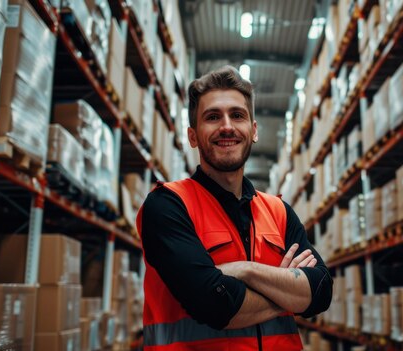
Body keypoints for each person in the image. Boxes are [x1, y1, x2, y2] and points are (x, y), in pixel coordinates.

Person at [137, 65, 332, 351]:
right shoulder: (168, 205)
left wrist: (245, 270)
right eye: (213, 117)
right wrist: (288, 293)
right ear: (193, 136)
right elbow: (215, 304)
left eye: (237, 115)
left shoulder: (278, 212)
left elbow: (321, 290)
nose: (226, 126)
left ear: (253, 131)